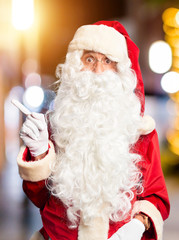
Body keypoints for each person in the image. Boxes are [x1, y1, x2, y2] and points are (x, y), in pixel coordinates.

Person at [16, 20, 170, 240]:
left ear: (120, 70)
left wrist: (135, 227)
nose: (98, 70)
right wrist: (39, 153)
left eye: (107, 60)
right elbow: (40, 198)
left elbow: (158, 198)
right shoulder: (58, 124)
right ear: (75, 65)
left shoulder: (141, 132)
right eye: (90, 59)